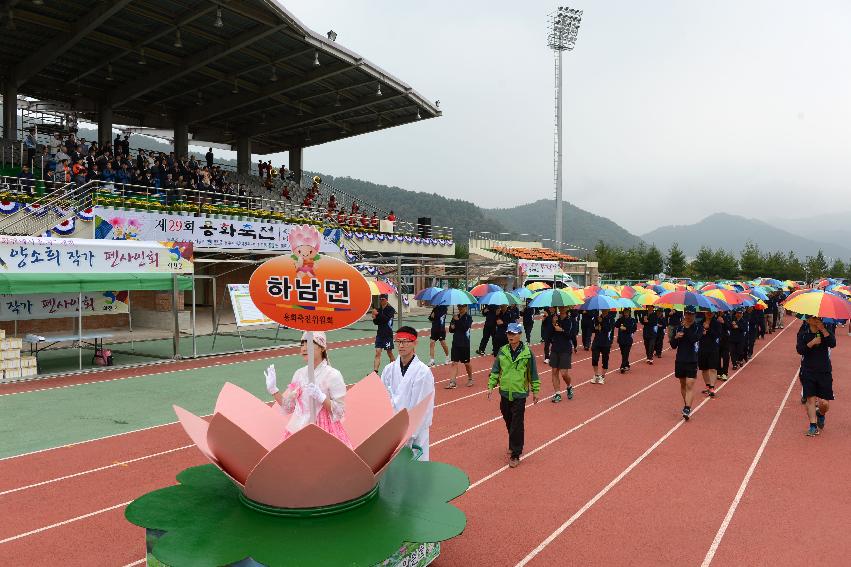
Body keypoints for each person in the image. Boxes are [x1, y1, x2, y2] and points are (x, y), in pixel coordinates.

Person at [265, 331, 351, 447]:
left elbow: (339, 411)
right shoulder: (299, 373)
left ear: (322, 348)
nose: (304, 348)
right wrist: (273, 389)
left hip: (325, 429)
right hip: (298, 428)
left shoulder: (332, 375)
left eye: (309, 344)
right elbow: (289, 407)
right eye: (302, 344)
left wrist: (321, 397)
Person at [487, 323, 540, 468]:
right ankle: (514, 441)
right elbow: (496, 370)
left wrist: (536, 391)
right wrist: (491, 386)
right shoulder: (502, 351)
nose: (510, 336)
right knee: (508, 419)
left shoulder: (528, 354)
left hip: (520, 393)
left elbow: (533, 374)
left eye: (513, 333)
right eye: (508, 333)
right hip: (504, 392)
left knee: (517, 423)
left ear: (520, 334)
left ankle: (516, 453)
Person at [380, 326, 435, 459]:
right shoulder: (389, 370)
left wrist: (410, 435)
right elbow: (382, 398)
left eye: (406, 341)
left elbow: (422, 407)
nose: (401, 345)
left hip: (415, 432)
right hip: (393, 430)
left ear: (415, 343)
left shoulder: (423, 372)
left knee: (416, 471)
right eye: (398, 341)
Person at [797, 316, 836, 436]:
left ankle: (821, 414)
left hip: (824, 371)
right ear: (808, 320)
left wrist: (823, 330)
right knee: (810, 399)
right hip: (808, 370)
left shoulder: (826, 330)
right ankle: (813, 426)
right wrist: (811, 343)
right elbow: (800, 350)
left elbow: (833, 343)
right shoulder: (803, 333)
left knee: (824, 403)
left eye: (819, 318)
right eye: (814, 318)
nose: (817, 320)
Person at [670, 308, 704, 420]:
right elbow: (673, 345)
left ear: (694, 316)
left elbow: (694, 339)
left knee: (690, 384)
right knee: (683, 384)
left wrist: (687, 328)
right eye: (687, 314)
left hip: (692, 359)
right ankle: (686, 404)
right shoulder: (678, 327)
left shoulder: (698, 327)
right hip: (680, 359)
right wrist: (675, 337)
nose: (688, 316)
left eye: (691, 315)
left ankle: (687, 407)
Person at [549, 306, 575, 402]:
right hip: (555, 348)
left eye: (563, 306)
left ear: (567, 308)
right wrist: (552, 323)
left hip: (565, 349)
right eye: (560, 306)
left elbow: (572, 335)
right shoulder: (555, 319)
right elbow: (549, 334)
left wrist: (562, 330)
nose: (561, 308)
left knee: (564, 373)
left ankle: (569, 386)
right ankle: (557, 394)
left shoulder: (570, 321)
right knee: (554, 371)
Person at [446, 303, 474, 389]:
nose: (460, 308)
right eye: (459, 306)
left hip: (464, 343)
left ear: (466, 307)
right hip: (456, 343)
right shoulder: (455, 317)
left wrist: (457, 321)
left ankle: (470, 378)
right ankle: (452, 382)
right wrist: (452, 326)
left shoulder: (468, 318)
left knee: (466, 363)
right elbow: (451, 330)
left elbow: (465, 328)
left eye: (462, 306)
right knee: (454, 362)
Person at [698, 311, 722, 398]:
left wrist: (708, 329)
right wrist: (702, 332)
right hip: (702, 348)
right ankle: (707, 385)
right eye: (707, 312)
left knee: (713, 368)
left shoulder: (717, 323)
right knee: (704, 369)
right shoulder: (700, 322)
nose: (709, 313)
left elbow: (718, 334)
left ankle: (712, 387)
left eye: (711, 312)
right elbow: (697, 335)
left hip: (713, 348)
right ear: (705, 313)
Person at [372, 294, 396, 372]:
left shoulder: (391, 309)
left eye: (383, 299)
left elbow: (386, 319)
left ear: (386, 300)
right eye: (380, 299)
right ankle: (375, 371)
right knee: (377, 352)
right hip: (380, 334)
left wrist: (377, 314)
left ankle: (395, 369)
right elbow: (376, 322)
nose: (382, 300)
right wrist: (374, 317)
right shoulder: (378, 310)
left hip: (387, 334)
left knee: (389, 352)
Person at [591, 309, 616, 384]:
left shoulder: (611, 319)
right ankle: (596, 375)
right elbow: (592, 329)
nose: (604, 310)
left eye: (606, 309)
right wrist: (596, 327)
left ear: (608, 310)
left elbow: (608, 329)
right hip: (597, 341)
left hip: (606, 342)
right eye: (603, 309)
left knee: (605, 360)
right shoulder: (597, 318)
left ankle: (603, 376)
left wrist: (601, 322)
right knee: (595, 359)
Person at [615, 307, 637, 373]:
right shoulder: (621, 319)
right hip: (621, 338)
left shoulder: (632, 320)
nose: (626, 313)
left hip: (628, 339)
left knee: (626, 353)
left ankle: (622, 367)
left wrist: (626, 329)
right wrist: (619, 319)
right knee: (623, 353)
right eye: (625, 312)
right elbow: (616, 325)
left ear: (629, 313)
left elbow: (634, 329)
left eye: (627, 312)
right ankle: (627, 364)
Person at [717, 310, 731, 381]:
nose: (721, 311)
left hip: (725, 340)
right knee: (717, 357)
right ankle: (719, 372)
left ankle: (725, 373)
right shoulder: (714, 317)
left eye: (722, 310)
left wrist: (723, 322)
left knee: (726, 357)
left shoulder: (727, 317)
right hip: (716, 340)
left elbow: (729, 327)